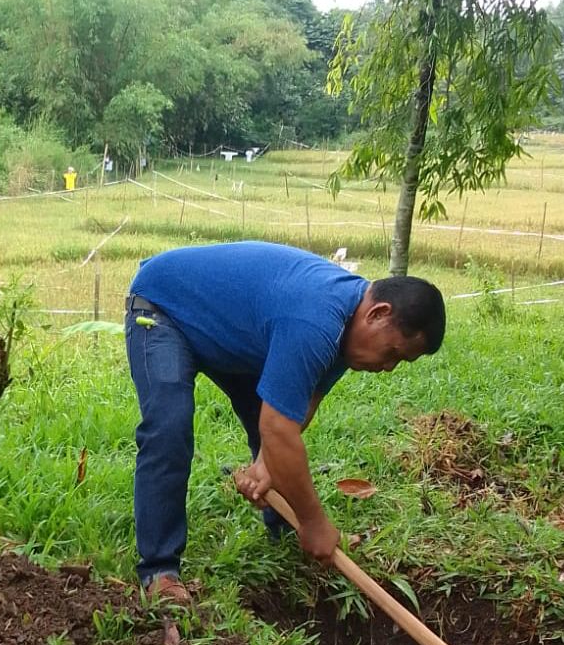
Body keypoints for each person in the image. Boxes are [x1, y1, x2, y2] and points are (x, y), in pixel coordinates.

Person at [124, 241, 445, 604]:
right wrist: (314, 521)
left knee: (271, 433)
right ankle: (160, 571)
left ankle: (286, 531)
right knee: (169, 428)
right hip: (165, 309)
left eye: (399, 363)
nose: (388, 367)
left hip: (231, 333)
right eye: (392, 353)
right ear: (378, 314)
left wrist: (264, 467)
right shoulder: (316, 319)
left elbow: (301, 406)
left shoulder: (347, 331)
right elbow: (278, 430)